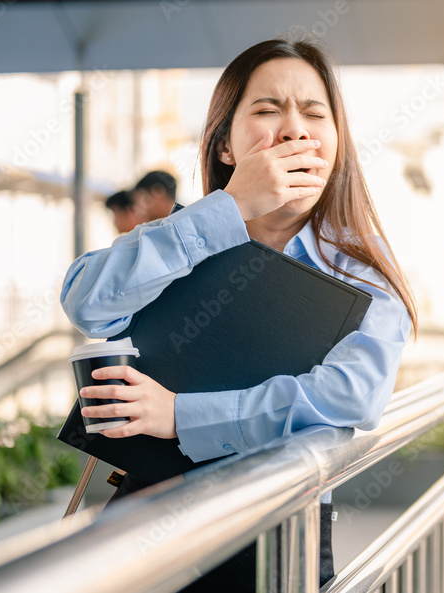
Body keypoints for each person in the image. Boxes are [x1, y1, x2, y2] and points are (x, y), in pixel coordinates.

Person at [60, 37, 417, 591]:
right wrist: (226, 210)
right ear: (225, 145)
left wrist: (181, 414)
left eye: (315, 113)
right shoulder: (189, 239)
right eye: (268, 110)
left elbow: (350, 394)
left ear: (336, 143)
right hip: (148, 513)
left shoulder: (359, 267)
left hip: (279, 528)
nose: (295, 129)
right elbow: (85, 299)